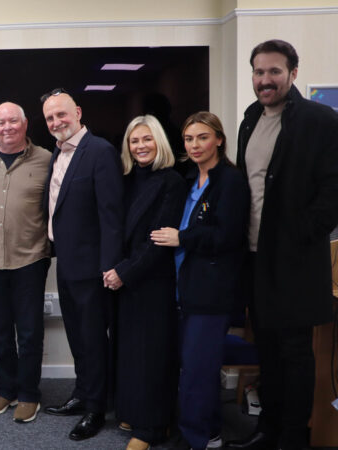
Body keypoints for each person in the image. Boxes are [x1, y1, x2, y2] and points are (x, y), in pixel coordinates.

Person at [226, 40, 338, 450]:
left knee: (295, 354)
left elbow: (332, 191)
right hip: (256, 259)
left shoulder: (321, 120)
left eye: (274, 71)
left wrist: (301, 235)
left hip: (295, 260)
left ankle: (293, 437)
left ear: (293, 72)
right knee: (267, 351)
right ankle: (267, 430)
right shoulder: (250, 119)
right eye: (258, 72)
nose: (265, 80)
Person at [151, 112, 249, 450]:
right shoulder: (191, 176)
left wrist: (182, 237)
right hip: (185, 286)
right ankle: (209, 433)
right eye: (189, 139)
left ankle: (196, 439)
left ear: (219, 139)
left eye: (202, 137)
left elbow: (227, 235)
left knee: (197, 372)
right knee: (194, 369)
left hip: (212, 292)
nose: (195, 145)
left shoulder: (230, 181)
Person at [40, 88, 124, 441]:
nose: (57, 122)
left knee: (92, 339)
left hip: (93, 269)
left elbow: (111, 216)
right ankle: (82, 394)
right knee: (77, 336)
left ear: (77, 112)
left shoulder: (100, 152)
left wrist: (109, 267)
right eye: (50, 118)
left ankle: (96, 409)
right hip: (68, 264)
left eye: (62, 114)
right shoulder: (57, 155)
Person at [102, 115, 185, 450]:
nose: (140, 147)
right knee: (128, 353)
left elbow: (160, 241)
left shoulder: (172, 182)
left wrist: (125, 272)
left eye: (147, 139)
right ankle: (133, 413)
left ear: (159, 142)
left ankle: (151, 428)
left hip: (151, 280)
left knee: (152, 356)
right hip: (126, 278)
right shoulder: (125, 178)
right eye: (134, 141)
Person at [0, 102, 52, 423]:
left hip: (30, 260)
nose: (6, 127)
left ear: (25, 124)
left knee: (30, 331)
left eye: (13, 121)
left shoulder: (48, 160)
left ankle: (28, 394)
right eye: (0, 122)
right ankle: (5, 390)